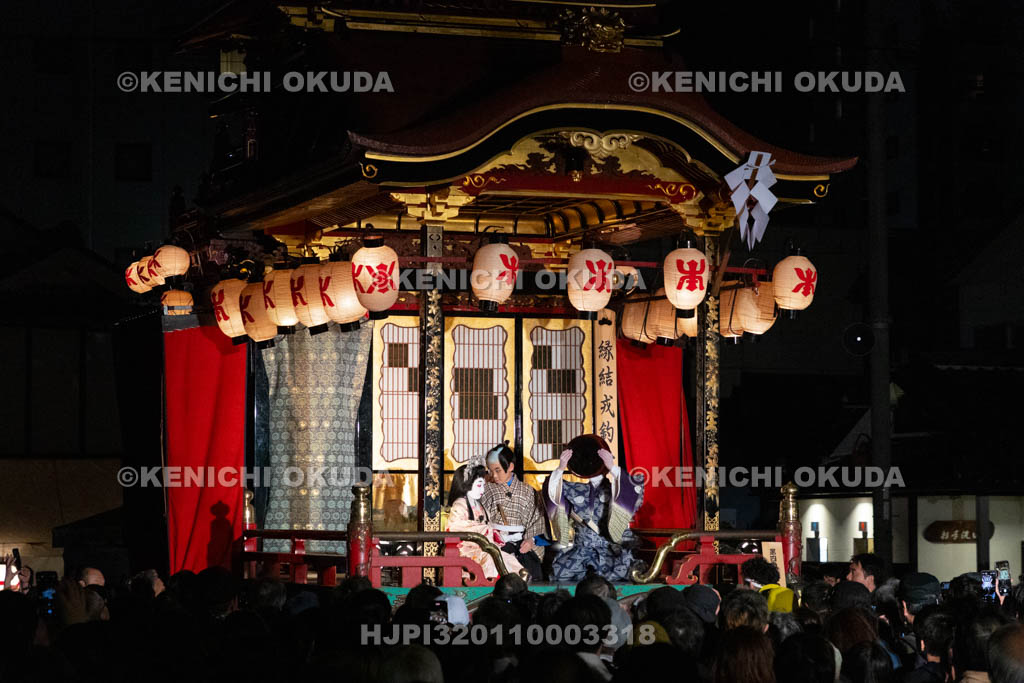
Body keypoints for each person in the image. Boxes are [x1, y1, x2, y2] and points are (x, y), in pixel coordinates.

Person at [544, 435, 643, 582]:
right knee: (560, 575)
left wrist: (613, 468)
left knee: (617, 577)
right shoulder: (574, 489)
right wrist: (560, 469)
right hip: (579, 551)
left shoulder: (615, 490)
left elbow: (634, 490)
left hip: (609, 551)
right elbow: (551, 492)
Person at [446, 463, 524, 580]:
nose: (482, 489)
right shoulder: (460, 505)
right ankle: (491, 585)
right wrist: (489, 530)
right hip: (466, 550)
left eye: (483, 485)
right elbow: (456, 527)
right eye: (479, 485)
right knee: (490, 558)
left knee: (509, 559)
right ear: (466, 484)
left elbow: (488, 525)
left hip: (483, 548)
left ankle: (517, 581)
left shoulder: (480, 505)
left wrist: (500, 535)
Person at [482, 442, 547, 580]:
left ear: (510, 466)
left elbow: (538, 522)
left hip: (521, 545)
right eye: (490, 470)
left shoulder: (529, 491)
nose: (494, 475)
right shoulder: (485, 489)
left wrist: (531, 540)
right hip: (494, 544)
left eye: (498, 470)